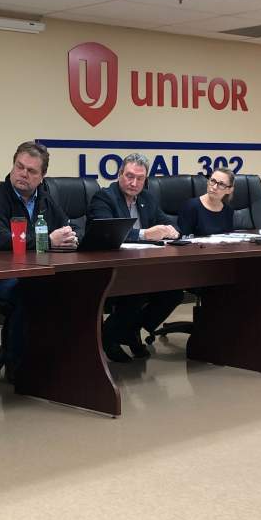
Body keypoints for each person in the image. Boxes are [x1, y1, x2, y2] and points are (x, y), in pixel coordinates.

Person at [0, 141, 78, 371]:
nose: (23, 174)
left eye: (31, 171)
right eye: (19, 167)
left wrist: (70, 236)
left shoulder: (44, 199)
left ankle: (62, 358)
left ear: (42, 176)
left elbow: (68, 225)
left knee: (73, 286)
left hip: (36, 271)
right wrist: (47, 241)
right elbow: (1, 241)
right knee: (31, 292)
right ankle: (19, 366)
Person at [89, 152, 182, 363]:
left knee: (174, 292)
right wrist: (145, 234)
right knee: (135, 293)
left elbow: (168, 223)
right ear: (119, 174)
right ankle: (108, 338)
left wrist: (172, 231)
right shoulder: (104, 197)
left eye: (140, 178)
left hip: (145, 266)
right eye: (129, 176)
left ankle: (128, 330)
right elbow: (106, 232)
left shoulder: (147, 198)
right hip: (113, 268)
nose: (134, 182)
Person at [178, 168, 237, 236]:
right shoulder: (191, 206)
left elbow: (229, 238)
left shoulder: (228, 210)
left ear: (229, 190)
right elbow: (183, 239)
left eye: (221, 184)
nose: (214, 187)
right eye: (213, 181)